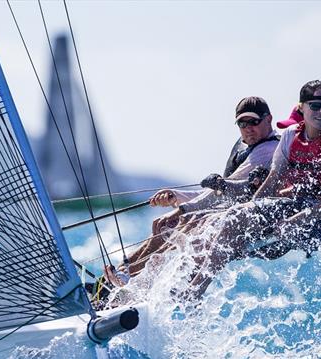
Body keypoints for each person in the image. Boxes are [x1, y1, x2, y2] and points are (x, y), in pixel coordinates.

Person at [186, 80, 321, 299]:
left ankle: (192, 293)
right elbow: (272, 182)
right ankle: (181, 290)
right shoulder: (290, 135)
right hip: (296, 207)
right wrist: (249, 209)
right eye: (315, 106)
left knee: (238, 221)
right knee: (228, 232)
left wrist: (296, 221)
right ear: (302, 107)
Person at [105, 97, 280, 286]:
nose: (248, 128)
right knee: (163, 225)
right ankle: (121, 275)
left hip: (247, 223)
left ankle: (130, 279)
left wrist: (182, 209)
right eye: (242, 123)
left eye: (254, 122)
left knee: (172, 225)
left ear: (268, 120)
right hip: (224, 212)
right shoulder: (246, 148)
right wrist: (177, 196)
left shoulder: (268, 149)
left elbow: (223, 191)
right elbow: (220, 195)